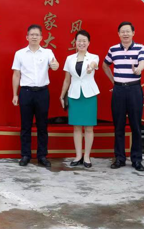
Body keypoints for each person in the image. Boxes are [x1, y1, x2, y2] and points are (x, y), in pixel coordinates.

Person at [12, 24, 60, 168]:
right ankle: (25, 155)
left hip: (42, 93)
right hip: (25, 92)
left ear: (41, 38)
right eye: (31, 34)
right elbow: (16, 74)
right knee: (25, 126)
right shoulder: (19, 53)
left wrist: (55, 65)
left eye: (37, 35)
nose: (34, 37)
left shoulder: (47, 53)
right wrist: (15, 94)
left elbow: (55, 64)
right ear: (27, 37)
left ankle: (42, 156)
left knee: (42, 126)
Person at [102, 21, 144, 171]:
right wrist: (113, 81)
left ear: (133, 33)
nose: (125, 34)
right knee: (119, 126)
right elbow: (105, 65)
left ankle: (136, 160)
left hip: (134, 90)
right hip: (119, 91)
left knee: (136, 126)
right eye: (122, 31)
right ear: (118, 34)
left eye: (128, 31)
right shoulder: (113, 49)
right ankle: (119, 158)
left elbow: (143, 62)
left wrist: (138, 70)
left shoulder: (140, 48)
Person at [59, 30, 100, 168]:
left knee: (89, 128)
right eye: (79, 41)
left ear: (88, 42)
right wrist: (62, 95)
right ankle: (78, 156)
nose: (81, 43)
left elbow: (94, 65)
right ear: (75, 42)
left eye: (84, 41)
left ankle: (87, 157)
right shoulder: (69, 58)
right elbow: (66, 80)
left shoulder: (94, 57)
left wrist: (90, 68)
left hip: (89, 95)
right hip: (74, 95)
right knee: (76, 128)